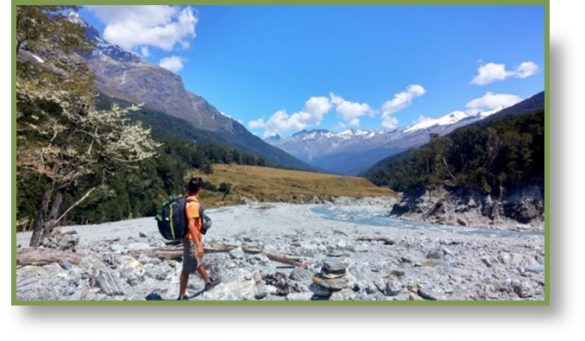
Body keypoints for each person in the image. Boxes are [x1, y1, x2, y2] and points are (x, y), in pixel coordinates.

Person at [178, 177, 219, 300]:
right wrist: (198, 244)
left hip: (189, 238)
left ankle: (207, 282)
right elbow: (191, 225)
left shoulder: (186, 199)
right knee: (186, 268)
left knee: (197, 261)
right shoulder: (192, 205)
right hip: (190, 239)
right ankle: (181, 296)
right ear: (199, 189)